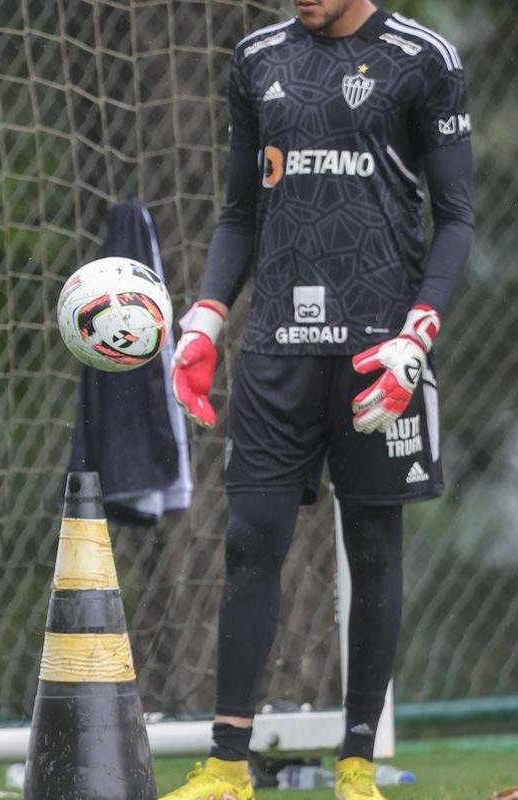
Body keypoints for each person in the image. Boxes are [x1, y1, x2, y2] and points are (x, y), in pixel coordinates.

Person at [165, 1, 473, 798]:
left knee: (373, 553)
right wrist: (206, 313)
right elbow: (239, 212)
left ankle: (357, 765)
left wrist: (417, 336)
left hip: (382, 356)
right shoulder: (257, 59)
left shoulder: (423, 58)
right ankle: (228, 767)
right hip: (275, 354)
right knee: (249, 543)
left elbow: (457, 221)